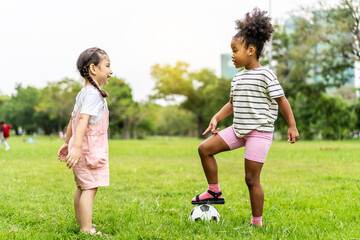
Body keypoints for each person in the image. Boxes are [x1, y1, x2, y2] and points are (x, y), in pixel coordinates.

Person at [191, 8, 300, 227]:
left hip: (259, 133)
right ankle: (214, 191)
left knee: (251, 179)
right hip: (238, 129)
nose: (232, 55)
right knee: (204, 149)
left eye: (235, 50)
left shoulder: (266, 74)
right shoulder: (237, 78)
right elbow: (232, 104)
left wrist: (292, 126)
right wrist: (217, 117)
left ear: (251, 50)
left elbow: (282, 100)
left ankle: (256, 222)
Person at [58, 47, 113, 235]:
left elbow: (72, 119)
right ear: (93, 69)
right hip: (89, 148)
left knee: (82, 186)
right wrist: (76, 147)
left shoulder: (84, 93)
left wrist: (68, 143)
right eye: (107, 66)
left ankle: (82, 223)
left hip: (82, 146)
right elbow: (81, 120)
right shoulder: (91, 94)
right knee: (89, 188)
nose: (111, 71)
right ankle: (86, 229)